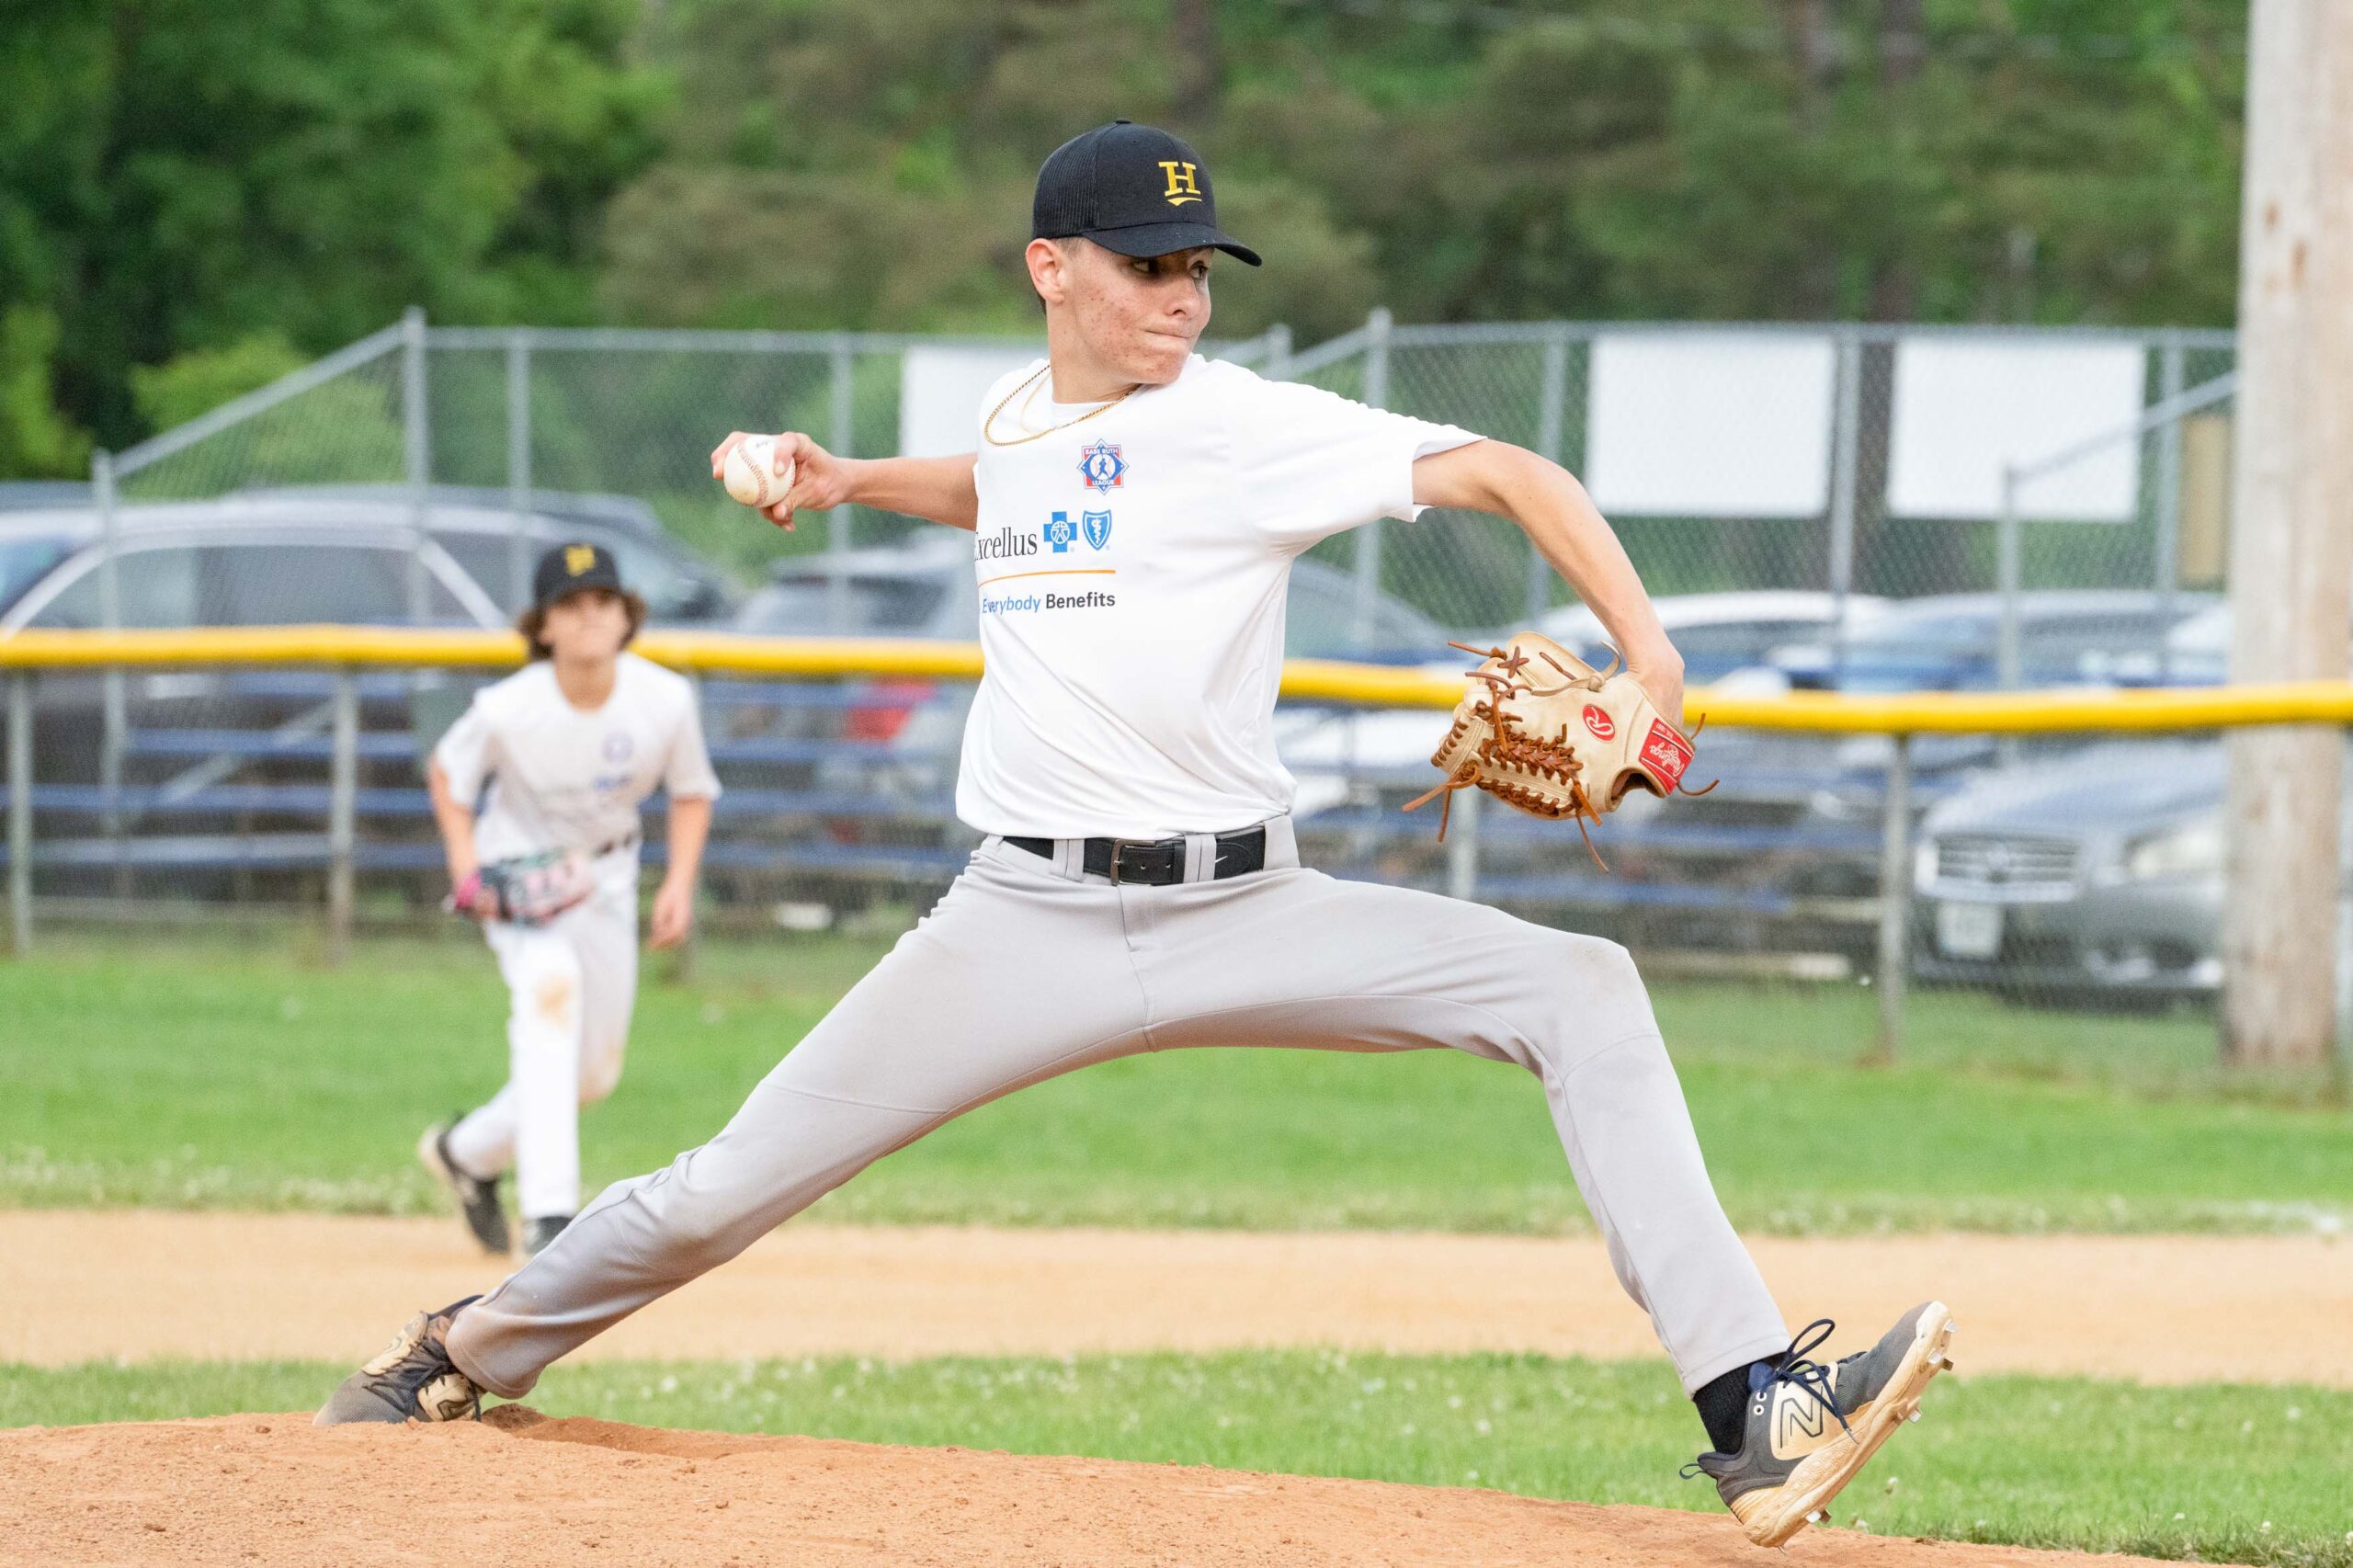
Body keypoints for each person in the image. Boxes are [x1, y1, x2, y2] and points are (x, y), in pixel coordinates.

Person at [321, 122, 1948, 1549]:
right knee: (723, 1187)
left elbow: (1512, 474)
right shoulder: (1021, 415)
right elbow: (1010, 484)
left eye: (1199, 267)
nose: (1184, 294)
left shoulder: (1240, 422)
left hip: (1252, 906)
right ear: (1052, 267)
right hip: (1019, 921)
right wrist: (849, 477)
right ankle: (460, 1352)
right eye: (1149, 262)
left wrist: (1648, 653)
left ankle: (1755, 1407)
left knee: (1580, 986)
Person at [414, 541, 720, 1259]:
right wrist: (466, 869)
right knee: (551, 994)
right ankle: (550, 1215)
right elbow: (448, 775)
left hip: (606, 878)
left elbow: (692, 791)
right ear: (543, 626)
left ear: (627, 616)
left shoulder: (664, 700)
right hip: (521, 876)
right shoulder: (508, 709)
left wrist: (678, 882)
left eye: (603, 601)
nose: (589, 616)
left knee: (591, 1076)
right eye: (570, 605)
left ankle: (466, 1153)